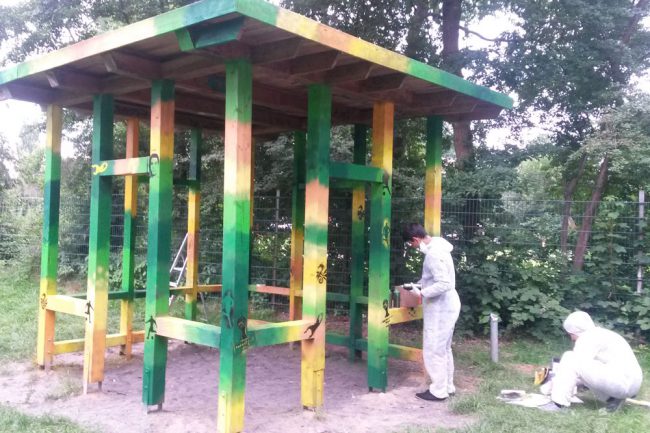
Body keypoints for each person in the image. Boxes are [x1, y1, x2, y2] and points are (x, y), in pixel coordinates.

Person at [402, 223, 460, 402]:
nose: (412, 247)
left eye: (410, 244)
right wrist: (419, 284)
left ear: (415, 239)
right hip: (448, 304)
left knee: (434, 349)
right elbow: (434, 278)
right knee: (443, 348)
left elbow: (444, 283)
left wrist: (421, 293)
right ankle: (447, 386)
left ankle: (438, 391)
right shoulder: (440, 247)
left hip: (441, 306)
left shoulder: (433, 254)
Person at [541, 311, 643, 412]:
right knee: (578, 364)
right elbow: (586, 372)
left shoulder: (587, 338)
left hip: (622, 382)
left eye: (570, 334)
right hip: (631, 383)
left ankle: (559, 404)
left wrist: (553, 383)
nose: (571, 338)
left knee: (570, 357)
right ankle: (614, 400)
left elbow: (574, 367)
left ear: (575, 331)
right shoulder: (604, 334)